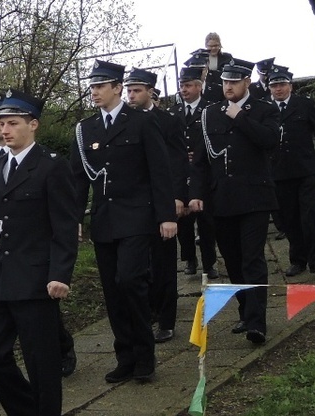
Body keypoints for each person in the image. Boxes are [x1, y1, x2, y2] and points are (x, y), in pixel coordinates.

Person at [0, 88, 78, 416]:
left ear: (32, 125)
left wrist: (60, 274)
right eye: (1, 124)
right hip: (0, 277)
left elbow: (65, 226)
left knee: (42, 363)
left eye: (13, 124)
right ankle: (30, 415)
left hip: (36, 280)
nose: (5, 131)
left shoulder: (52, 166)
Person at [71, 60, 177, 382]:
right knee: (113, 291)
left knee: (131, 280)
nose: (95, 92)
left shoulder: (141, 123)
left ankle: (145, 356)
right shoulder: (86, 129)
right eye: (92, 87)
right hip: (105, 220)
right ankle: (125, 356)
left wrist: (166, 216)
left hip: (137, 216)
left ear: (118, 87)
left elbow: (160, 170)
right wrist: (75, 218)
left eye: (101, 86)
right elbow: (77, 179)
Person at [188, 58, 280, 345]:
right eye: (225, 82)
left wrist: (240, 117)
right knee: (234, 260)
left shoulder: (264, 110)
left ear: (246, 83)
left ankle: (257, 322)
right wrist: (197, 193)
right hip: (222, 199)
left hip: (254, 197)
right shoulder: (210, 113)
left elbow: (269, 141)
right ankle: (245, 311)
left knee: (253, 259)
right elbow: (202, 160)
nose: (228, 86)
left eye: (234, 82)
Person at [124, 67, 188, 343]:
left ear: (151, 91)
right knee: (139, 265)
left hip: (162, 201)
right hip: (135, 205)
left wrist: (177, 197)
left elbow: (176, 162)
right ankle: (147, 311)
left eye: (137, 90)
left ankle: (167, 318)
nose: (131, 95)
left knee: (163, 264)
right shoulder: (124, 122)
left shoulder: (167, 121)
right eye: (129, 90)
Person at [268, 67, 315, 277]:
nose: (278, 89)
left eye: (282, 85)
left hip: (305, 168)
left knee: (308, 213)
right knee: (289, 217)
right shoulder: (266, 109)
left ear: (290, 85)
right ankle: (298, 259)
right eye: (274, 86)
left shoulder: (304, 105)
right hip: (279, 172)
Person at [169, 66, 219, 280]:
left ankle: (210, 263)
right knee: (183, 221)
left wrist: (198, 155)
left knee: (206, 221)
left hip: (204, 172)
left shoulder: (210, 109)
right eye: (181, 85)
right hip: (180, 172)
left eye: (188, 85)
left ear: (199, 87)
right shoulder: (173, 113)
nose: (184, 89)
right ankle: (190, 258)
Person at [204, 33, 233, 104]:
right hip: (207, 93)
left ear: (220, 45)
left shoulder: (227, 57)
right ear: (206, 46)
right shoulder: (201, 58)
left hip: (223, 91)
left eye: (216, 45)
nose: (213, 48)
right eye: (211, 46)